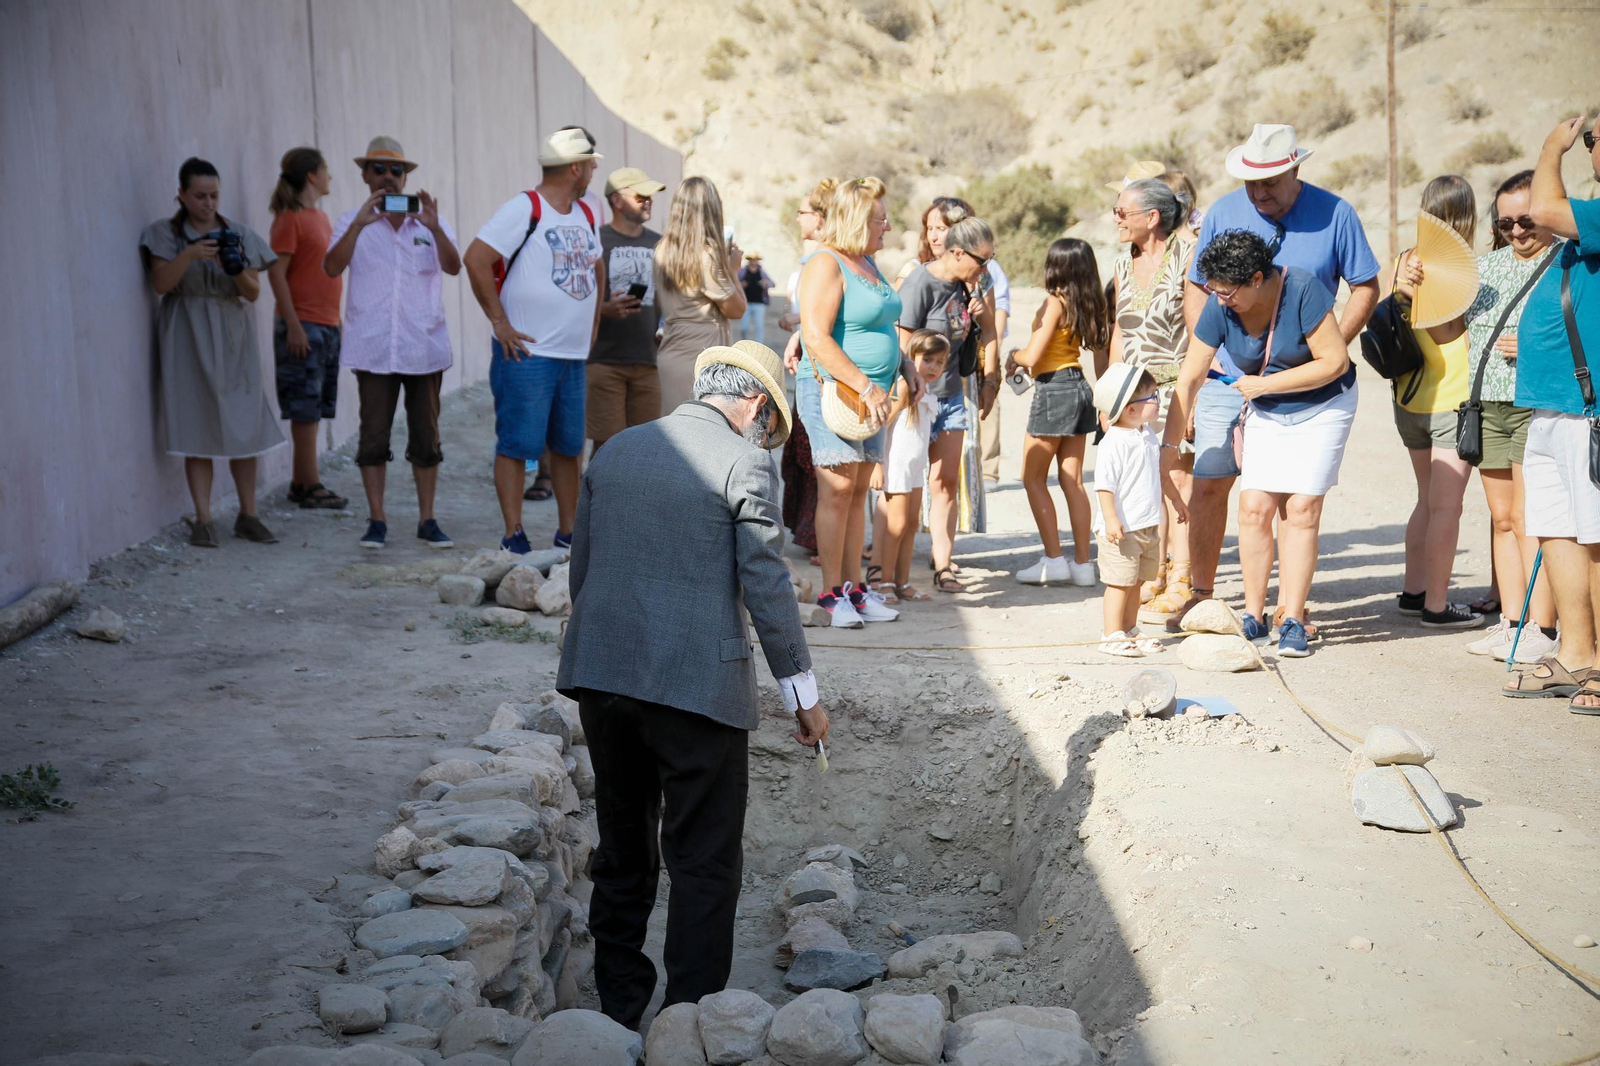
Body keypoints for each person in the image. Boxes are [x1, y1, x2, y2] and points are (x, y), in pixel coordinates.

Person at [556, 340, 828, 1028]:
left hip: (604, 680)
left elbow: (582, 571)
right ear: (757, 405)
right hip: (696, 690)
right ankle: (690, 1016)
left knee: (622, 847)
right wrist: (802, 692)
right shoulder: (745, 461)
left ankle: (617, 1008)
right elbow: (766, 583)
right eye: (769, 423)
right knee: (703, 858)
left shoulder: (615, 450)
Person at [1173, 124, 1380, 633]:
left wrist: (1323, 347)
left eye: (1271, 182)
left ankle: (1292, 608)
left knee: (1294, 502)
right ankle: (1202, 596)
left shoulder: (1336, 213)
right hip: (1227, 375)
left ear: (1296, 169)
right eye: (1251, 183)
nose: (1260, 193)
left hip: (1309, 383)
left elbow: (1365, 287)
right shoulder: (1223, 212)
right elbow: (1201, 288)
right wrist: (1210, 365)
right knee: (1213, 486)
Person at [1173, 229, 1359, 658]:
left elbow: (1335, 361)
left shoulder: (1303, 289)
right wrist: (1168, 450)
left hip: (1323, 405)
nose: (1220, 299)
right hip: (1266, 404)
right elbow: (1191, 375)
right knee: (1254, 506)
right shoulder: (1222, 304)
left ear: (1258, 279)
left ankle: (1291, 616)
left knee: (1300, 508)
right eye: (1213, 290)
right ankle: (1253, 616)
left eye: (1227, 291)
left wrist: (1267, 383)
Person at [464, 127, 605, 554]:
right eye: (591, 165)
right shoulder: (524, 208)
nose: (594, 172)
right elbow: (475, 258)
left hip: (570, 356)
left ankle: (568, 535)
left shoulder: (584, 212)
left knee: (567, 447)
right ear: (576, 167)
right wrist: (499, 323)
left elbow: (596, 267)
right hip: (528, 352)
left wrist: (592, 326)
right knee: (517, 444)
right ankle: (514, 535)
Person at [1503, 112, 1600, 714]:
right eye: (1591, 139)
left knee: (1596, 539)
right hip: (1553, 406)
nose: (1592, 148)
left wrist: (1548, 147)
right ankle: (1577, 654)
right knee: (1560, 532)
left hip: (1587, 408)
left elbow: (1541, 210)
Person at [323, 136, 460, 551]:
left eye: (395, 170)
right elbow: (331, 267)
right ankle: (377, 520)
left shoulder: (429, 222)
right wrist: (360, 225)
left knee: (426, 436)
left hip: (423, 346)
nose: (387, 177)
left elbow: (454, 268)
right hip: (374, 347)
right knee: (373, 436)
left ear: (407, 177)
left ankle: (427, 519)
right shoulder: (351, 220)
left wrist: (435, 229)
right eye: (378, 169)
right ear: (364, 175)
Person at [141, 156, 283, 548]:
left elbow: (253, 293)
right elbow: (161, 284)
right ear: (182, 196)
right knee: (196, 423)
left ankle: (248, 514)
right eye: (200, 196)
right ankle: (203, 519)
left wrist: (233, 266)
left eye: (214, 195)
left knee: (244, 423)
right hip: (186, 331)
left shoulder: (237, 233)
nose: (208, 203)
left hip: (232, 330)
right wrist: (189, 254)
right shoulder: (163, 234)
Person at [798, 176, 912, 627]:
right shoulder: (825, 264)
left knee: (860, 490)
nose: (886, 228)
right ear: (856, 220)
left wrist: (902, 372)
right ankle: (830, 595)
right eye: (879, 221)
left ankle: (855, 590)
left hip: (875, 396)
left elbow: (882, 329)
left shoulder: (866, 262)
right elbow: (815, 336)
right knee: (838, 489)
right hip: (838, 392)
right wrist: (865, 386)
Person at [1460, 169, 1563, 663]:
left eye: (1527, 219)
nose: (1518, 231)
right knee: (1502, 519)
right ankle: (1512, 621)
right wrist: (1416, 293)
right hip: (1487, 404)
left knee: (1529, 518)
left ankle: (1544, 627)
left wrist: (1533, 348)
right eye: (1506, 224)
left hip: (1536, 403)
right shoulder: (1484, 268)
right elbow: (1448, 334)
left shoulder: (1570, 262)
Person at [1390, 176, 1483, 629]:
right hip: (1451, 399)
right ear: (1468, 216)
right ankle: (1437, 606)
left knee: (1426, 499)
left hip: (1409, 398)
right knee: (1448, 505)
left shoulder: (1403, 262)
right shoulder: (1457, 270)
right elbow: (1451, 335)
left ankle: (1414, 591)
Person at [897, 215, 1000, 594]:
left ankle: (944, 564)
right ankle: (891, 569)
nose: (986, 267)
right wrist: (911, 394)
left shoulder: (971, 285)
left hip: (953, 397)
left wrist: (991, 378)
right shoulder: (920, 282)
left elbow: (989, 332)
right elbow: (902, 343)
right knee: (905, 483)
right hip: (916, 399)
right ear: (957, 252)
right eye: (981, 259)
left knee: (945, 483)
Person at [1108, 177, 1195, 616]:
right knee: (1145, 482)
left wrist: (1194, 395)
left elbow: (1199, 330)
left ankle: (1183, 574)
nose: (1116, 219)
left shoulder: (1187, 256)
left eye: (1123, 212)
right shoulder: (1123, 264)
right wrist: (1112, 394)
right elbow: (1120, 332)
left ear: (1152, 217)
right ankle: (1155, 571)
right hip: (1135, 394)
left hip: (1177, 388)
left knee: (1178, 481)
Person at [1008, 238, 1110, 586]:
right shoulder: (1085, 301)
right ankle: (1083, 564)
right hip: (1080, 386)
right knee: (1073, 480)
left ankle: (1054, 559)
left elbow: (1033, 357)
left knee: (1032, 478)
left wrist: (1014, 355)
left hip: (1054, 388)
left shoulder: (1054, 301)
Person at [266, 146, 346, 511]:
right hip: (303, 325)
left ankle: (302, 481)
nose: (330, 175)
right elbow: (276, 272)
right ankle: (310, 484)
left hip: (327, 325)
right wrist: (293, 324)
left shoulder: (320, 217)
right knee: (304, 408)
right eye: (326, 169)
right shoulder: (290, 218)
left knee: (315, 407)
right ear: (312, 175)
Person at [1093, 363, 1176, 656]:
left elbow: (1159, 475)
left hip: (1146, 524)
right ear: (1129, 409)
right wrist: (1111, 518)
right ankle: (1111, 634)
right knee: (1119, 582)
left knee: (1137, 581)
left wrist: (1177, 502)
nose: (1158, 401)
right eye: (1152, 397)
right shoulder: (1114, 442)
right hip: (1122, 528)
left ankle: (1129, 628)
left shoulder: (1147, 435)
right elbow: (1104, 485)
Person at [586, 166, 667, 453]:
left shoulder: (660, 243)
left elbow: (666, 298)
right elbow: (579, 298)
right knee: (605, 446)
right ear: (617, 200)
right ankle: (598, 498)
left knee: (645, 447)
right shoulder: (595, 239)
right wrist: (604, 310)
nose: (648, 201)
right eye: (640, 195)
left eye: (650, 196)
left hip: (648, 360)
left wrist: (665, 329)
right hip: (603, 359)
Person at [779, 179, 839, 560]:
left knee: (820, 459)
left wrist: (798, 326)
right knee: (806, 457)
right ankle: (814, 535)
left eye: (802, 212)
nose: (797, 218)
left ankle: (824, 541)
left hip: (821, 373)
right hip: (808, 368)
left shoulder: (825, 262)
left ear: (818, 220)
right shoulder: (813, 261)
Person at [654, 177, 746, 414]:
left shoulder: (663, 248)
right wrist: (733, 271)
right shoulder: (706, 256)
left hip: (672, 352)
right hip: (701, 360)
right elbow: (737, 309)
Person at [869, 329, 948, 603]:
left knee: (911, 524)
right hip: (896, 465)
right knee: (897, 524)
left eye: (940, 362)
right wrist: (876, 464)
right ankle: (885, 583)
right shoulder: (904, 388)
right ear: (912, 358)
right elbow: (882, 424)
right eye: (928, 360)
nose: (934, 367)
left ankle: (903, 582)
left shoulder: (926, 392)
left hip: (915, 467)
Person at [738, 252, 774, 342]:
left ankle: (760, 346)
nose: (753, 262)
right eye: (751, 260)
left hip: (759, 303)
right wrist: (741, 285)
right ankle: (743, 343)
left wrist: (765, 283)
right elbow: (735, 284)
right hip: (745, 303)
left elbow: (772, 284)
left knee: (759, 326)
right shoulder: (743, 271)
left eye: (755, 260)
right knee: (744, 327)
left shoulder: (761, 272)